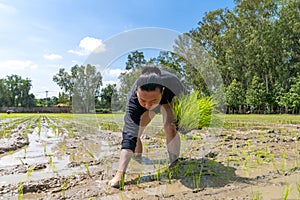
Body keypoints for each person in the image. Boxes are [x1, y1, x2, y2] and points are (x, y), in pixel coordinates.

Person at [109, 65, 187, 188]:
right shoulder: (133, 101)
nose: (148, 105)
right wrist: (120, 174)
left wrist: (184, 124)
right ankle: (137, 157)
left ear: (162, 90)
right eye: (143, 100)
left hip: (168, 101)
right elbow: (129, 135)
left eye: (153, 101)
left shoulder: (173, 84)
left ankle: (174, 163)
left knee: (170, 128)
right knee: (136, 135)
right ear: (137, 92)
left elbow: (187, 104)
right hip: (149, 100)